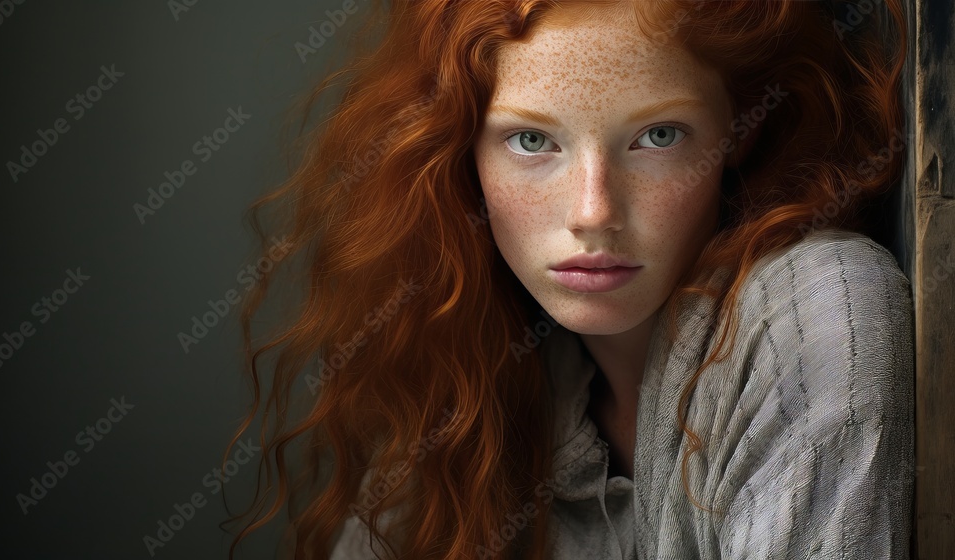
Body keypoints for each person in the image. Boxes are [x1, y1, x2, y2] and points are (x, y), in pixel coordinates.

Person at [225, 0, 914, 558]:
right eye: (532, 141)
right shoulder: (469, 374)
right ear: (459, 157)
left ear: (740, 132)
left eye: (659, 136)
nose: (594, 213)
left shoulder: (816, 315)